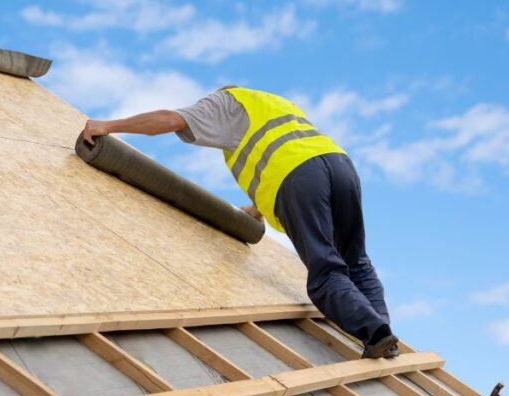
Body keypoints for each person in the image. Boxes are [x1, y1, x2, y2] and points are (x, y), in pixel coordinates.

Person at [82, 86, 398, 359]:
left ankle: (373, 332)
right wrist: (257, 211)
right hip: (339, 165)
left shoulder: (224, 101)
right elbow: (287, 153)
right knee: (357, 261)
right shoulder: (272, 103)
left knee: (325, 272)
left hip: (298, 178)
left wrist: (108, 126)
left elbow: (170, 119)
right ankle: (385, 338)